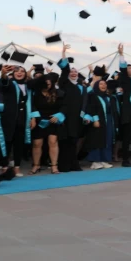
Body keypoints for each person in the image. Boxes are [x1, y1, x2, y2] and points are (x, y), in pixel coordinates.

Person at [56, 44, 88, 172]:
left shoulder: (81, 87)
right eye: (71, 71)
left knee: (74, 142)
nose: (73, 73)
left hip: (77, 118)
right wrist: (63, 53)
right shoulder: (64, 84)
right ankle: (63, 166)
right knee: (65, 142)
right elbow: (64, 70)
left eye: (75, 71)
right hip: (65, 117)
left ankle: (74, 164)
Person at [29, 74, 64, 174]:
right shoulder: (35, 94)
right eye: (46, 83)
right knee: (37, 143)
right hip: (39, 120)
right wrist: (34, 118)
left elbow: (64, 106)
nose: (47, 85)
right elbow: (32, 106)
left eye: (49, 83)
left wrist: (59, 115)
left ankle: (54, 166)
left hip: (53, 119)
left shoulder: (58, 93)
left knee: (53, 142)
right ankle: (36, 165)